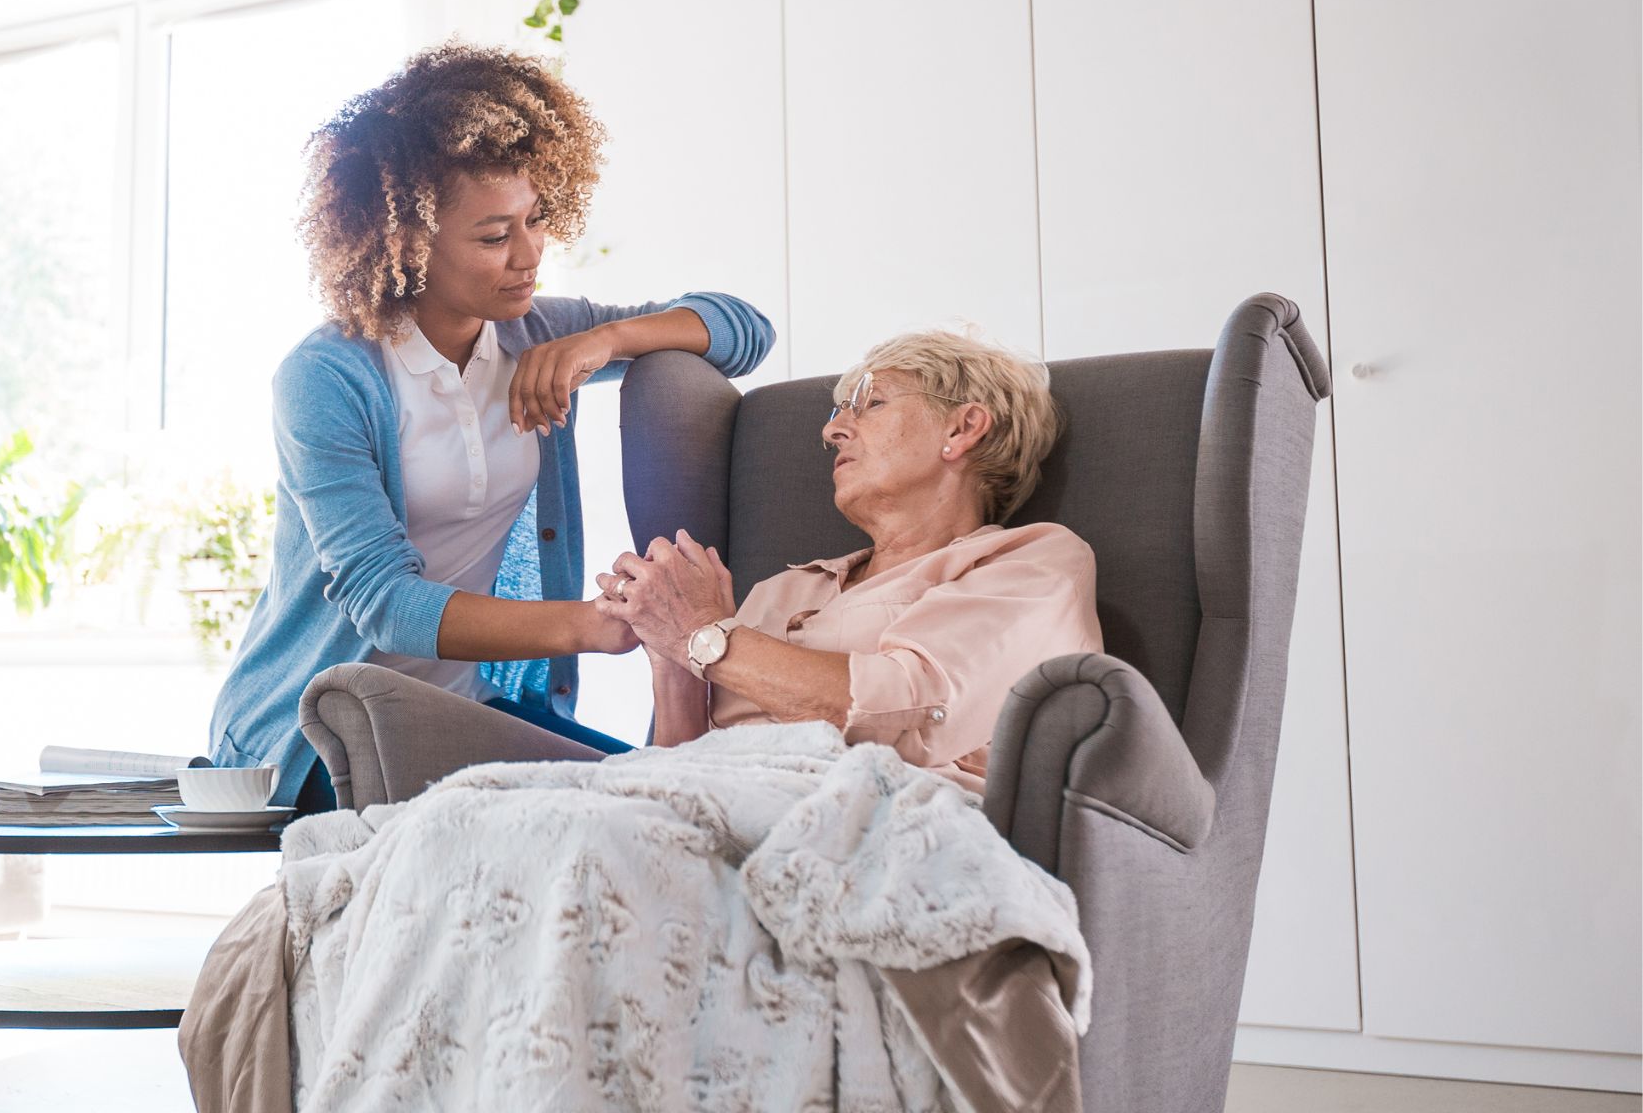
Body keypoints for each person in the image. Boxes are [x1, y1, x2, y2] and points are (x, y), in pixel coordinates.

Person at [207, 41, 775, 811]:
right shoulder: (327, 378)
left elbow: (745, 330)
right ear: (405, 243)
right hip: (320, 734)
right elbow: (383, 601)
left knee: (654, 800)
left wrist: (603, 341)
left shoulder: (535, 332)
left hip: (463, 718)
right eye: (493, 236)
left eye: (537, 219)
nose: (530, 254)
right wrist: (591, 624)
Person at [597, 328, 1100, 792]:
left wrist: (701, 634)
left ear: (963, 427)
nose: (833, 429)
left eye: (872, 403)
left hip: (888, 821)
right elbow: (674, 775)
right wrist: (671, 655)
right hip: (718, 814)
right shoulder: (781, 591)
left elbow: (908, 712)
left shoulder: (1028, 565)